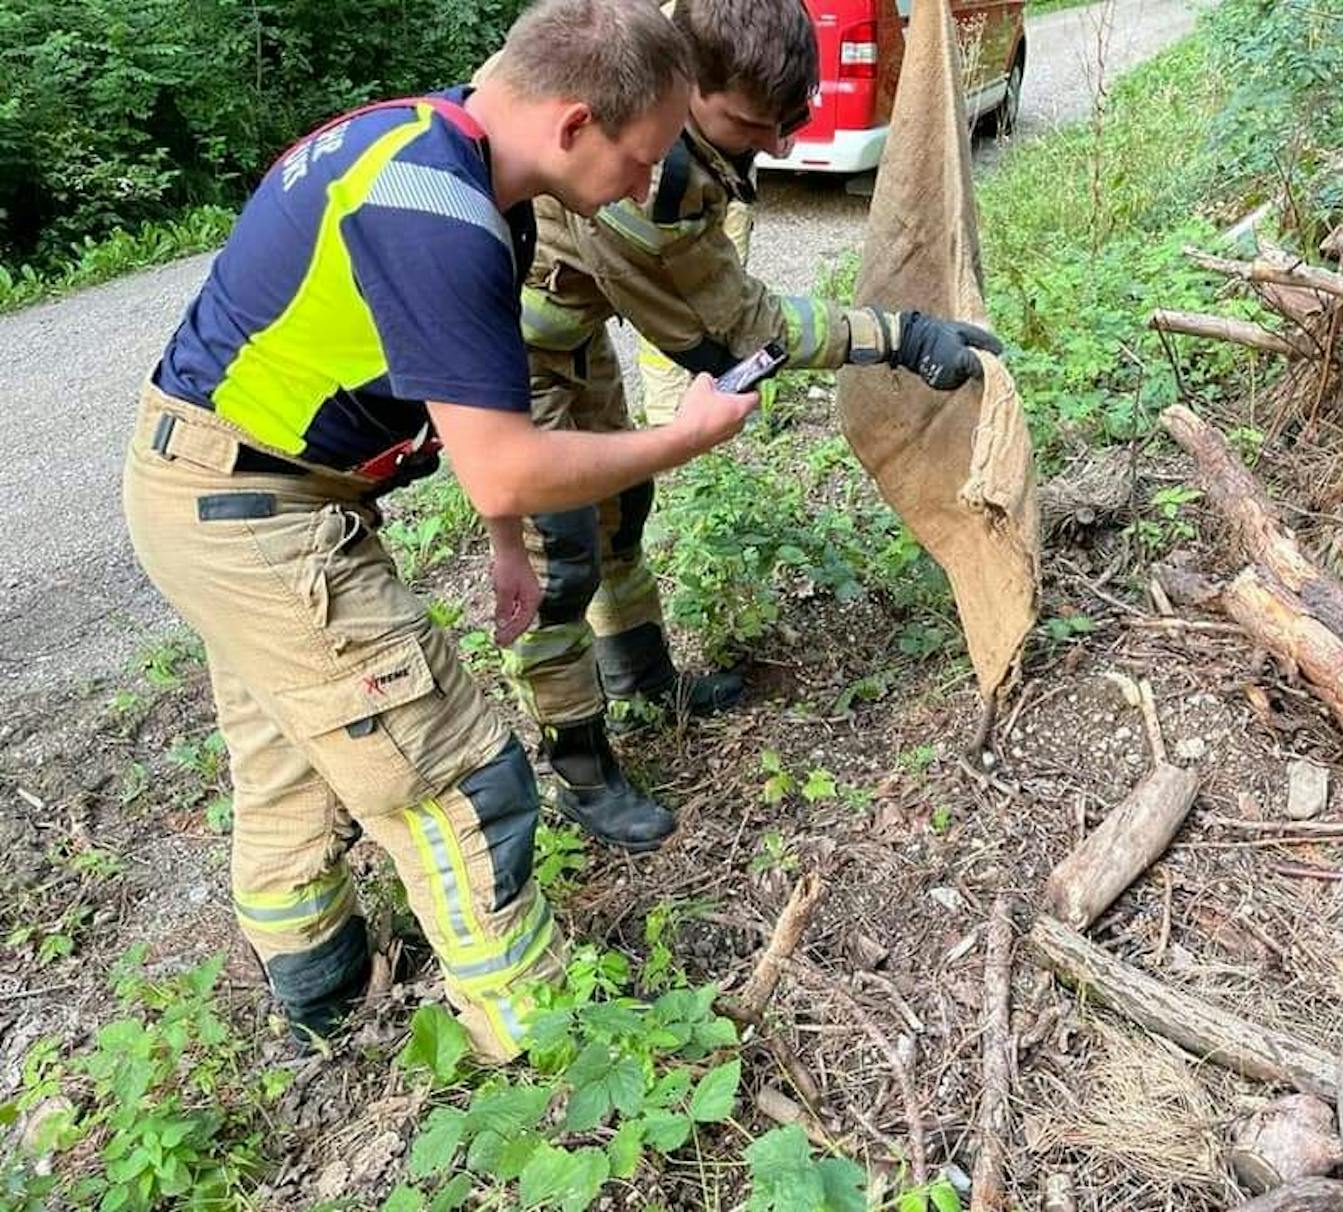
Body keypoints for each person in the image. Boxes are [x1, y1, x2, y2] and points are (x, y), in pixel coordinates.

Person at [121, 0, 759, 1063]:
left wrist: (504, 541)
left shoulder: (445, 154)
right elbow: (506, 458)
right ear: (571, 124)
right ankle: (549, 1049)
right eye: (641, 156)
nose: (647, 184)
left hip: (218, 489)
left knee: (288, 753)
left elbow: (471, 413)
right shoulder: (440, 216)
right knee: (459, 777)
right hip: (250, 512)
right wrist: (681, 439)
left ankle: (320, 994)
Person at [489, 0, 1001, 855]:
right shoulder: (642, 181)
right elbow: (739, 333)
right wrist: (899, 337)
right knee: (560, 555)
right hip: (512, 362)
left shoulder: (675, 56)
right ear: (688, 81)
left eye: (789, 118)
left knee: (623, 509)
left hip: (571, 335)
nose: (780, 146)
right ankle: (581, 768)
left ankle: (641, 674)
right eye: (754, 125)